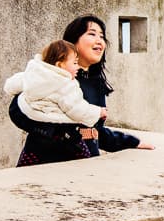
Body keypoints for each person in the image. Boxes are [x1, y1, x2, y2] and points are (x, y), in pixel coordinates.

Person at [10, 15, 155, 166]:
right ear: (73, 42)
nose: (99, 41)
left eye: (102, 36)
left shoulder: (96, 82)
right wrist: (62, 133)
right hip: (47, 163)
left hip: (85, 164)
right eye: (92, 34)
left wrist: (131, 142)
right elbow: (17, 110)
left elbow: (95, 131)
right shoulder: (53, 77)